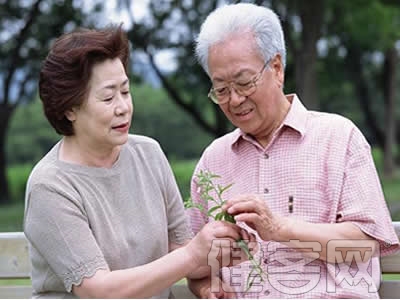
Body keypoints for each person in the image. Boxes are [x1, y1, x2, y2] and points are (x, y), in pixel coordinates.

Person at [23, 24, 253, 298]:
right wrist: (193, 254)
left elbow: (179, 249)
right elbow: (100, 291)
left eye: (125, 91)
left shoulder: (149, 154)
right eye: (108, 97)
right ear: (69, 109)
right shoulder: (49, 186)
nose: (123, 107)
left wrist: (223, 252)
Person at [187, 3, 400, 298]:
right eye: (221, 89)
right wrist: (206, 286)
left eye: (244, 82)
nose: (234, 100)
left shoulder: (338, 137)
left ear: (276, 69)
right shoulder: (214, 160)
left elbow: (366, 245)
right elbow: (195, 262)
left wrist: (281, 229)